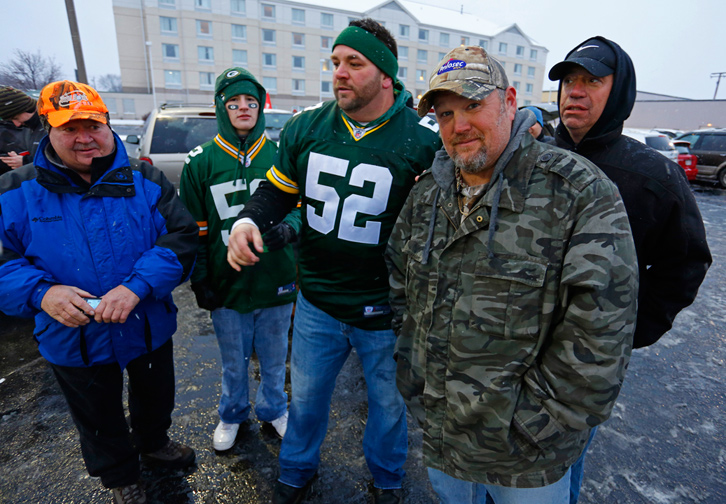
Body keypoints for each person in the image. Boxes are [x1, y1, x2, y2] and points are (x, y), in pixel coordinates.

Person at [385, 46, 638, 504]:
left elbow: (601, 336)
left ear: (509, 101)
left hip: (526, 460)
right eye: (445, 114)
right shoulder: (427, 197)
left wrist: (534, 424)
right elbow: (401, 285)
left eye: (473, 105)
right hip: (443, 434)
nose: (459, 125)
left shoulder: (577, 193)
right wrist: (414, 378)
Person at [226, 18, 441, 504]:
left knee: (388, 408)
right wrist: (248, 221)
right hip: (318, 302)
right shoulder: (307, 126)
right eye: (336, 62)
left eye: (354, 63)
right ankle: (295, 470)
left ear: (385, 75)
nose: (339, 73)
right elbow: (278, 190)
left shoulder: (423, 139)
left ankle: (387, 478)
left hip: (386, 311)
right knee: (305, 401)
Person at [0, 80, 198, 504]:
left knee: (155, 397)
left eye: (93, 125)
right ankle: (121, 476)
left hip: (145, 323)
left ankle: (154, 443)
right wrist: (42, 294)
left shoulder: (146, 179)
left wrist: (137, 287)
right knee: (97, 416)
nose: (84, 137)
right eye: (69, 128)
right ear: (48, 131)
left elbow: (181, 240)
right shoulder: (14, 191)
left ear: (108, 126)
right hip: (71, 334)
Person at [548, 37, 712, 503]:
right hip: (515, 344)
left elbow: (686, 263)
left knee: (560, 464)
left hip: (583, 365)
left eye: (592, 81)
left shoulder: (652, 176)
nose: (575, 92)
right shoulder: (530, 160)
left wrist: (628, 329)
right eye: (569, 81)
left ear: (619, 91)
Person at [179, 68, 298, 450]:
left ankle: (274, 408)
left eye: (250, 101)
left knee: (276, 357)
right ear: (221, 108)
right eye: (234, 102)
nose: (243, 108)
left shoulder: (281, 155)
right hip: (226, 279)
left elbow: (303, 209)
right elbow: (194, 229)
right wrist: (200, 277)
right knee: (234, 360)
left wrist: (289, 228)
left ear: (261, 106)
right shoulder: (200, 161)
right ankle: (232, 413)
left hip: (275, 275)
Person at [0, 86, 45, 174]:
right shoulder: (31, 128)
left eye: (16, 118)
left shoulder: (51, 126)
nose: (17, 124)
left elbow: (63, 163)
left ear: (27, 108)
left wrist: (25, 162)